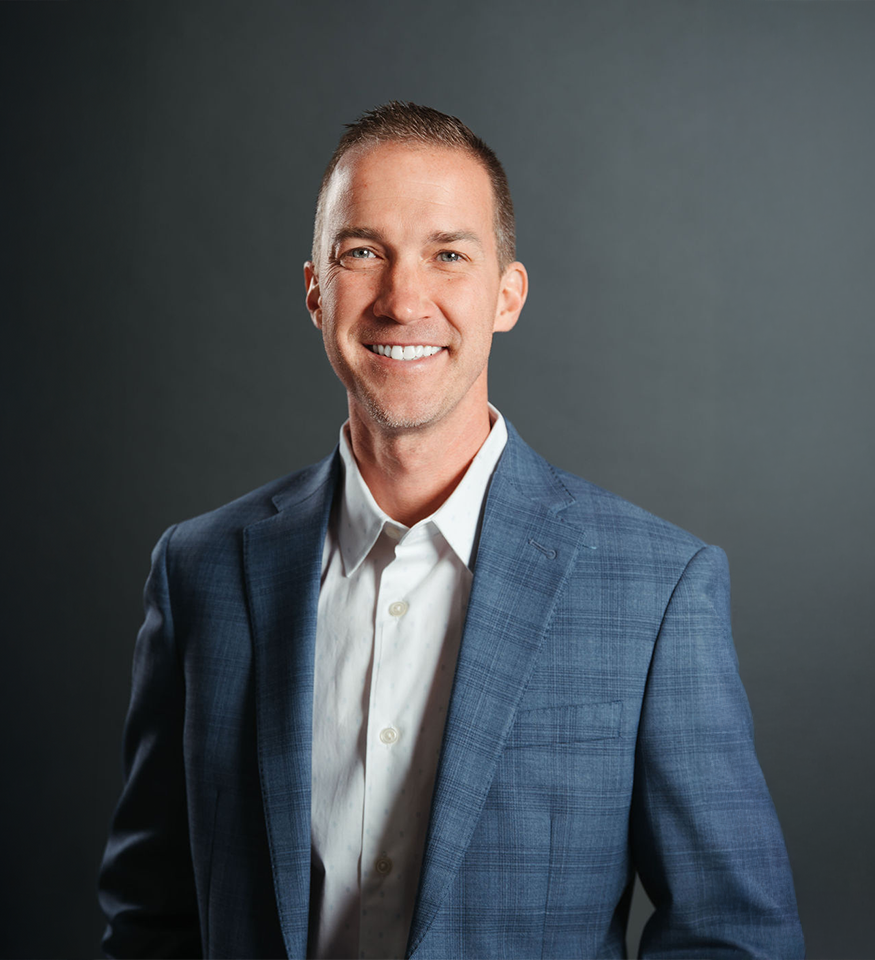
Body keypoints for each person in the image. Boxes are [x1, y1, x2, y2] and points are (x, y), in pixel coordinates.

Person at [98, 101, 804, 960]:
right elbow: (149, 923)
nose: (403, 300)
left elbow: (735, 936)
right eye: (364, 253)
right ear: (316, 288)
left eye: (448, 256)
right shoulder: (198, 573)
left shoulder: (657, 590)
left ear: (506, 295)